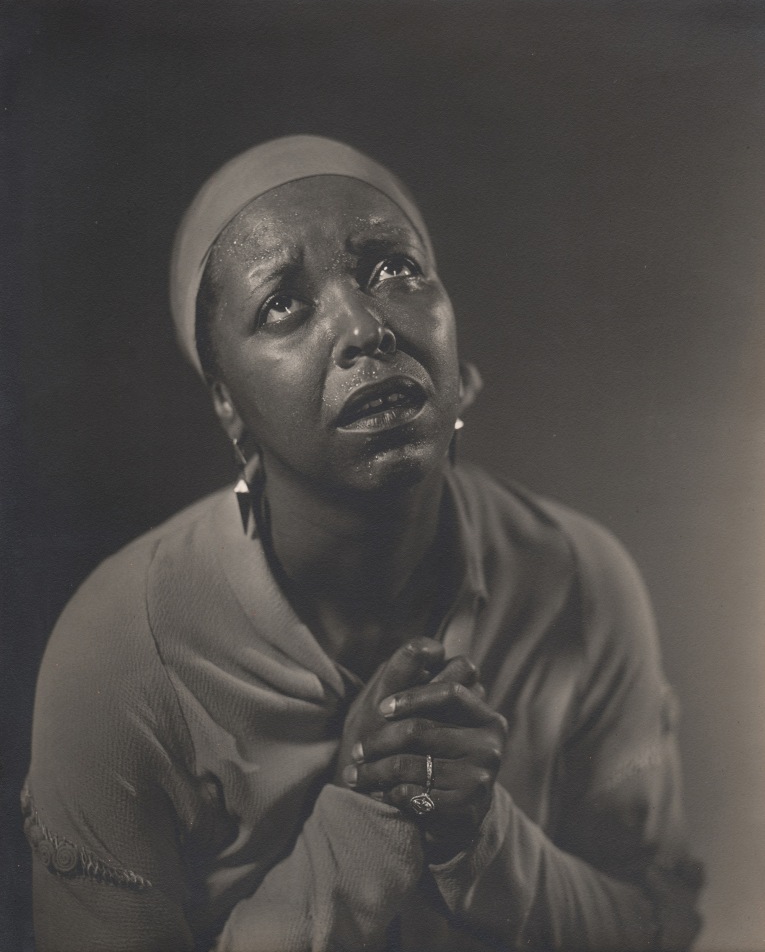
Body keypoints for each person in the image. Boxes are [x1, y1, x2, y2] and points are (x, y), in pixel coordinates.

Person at [23, 135, 703, 952]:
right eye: (283, 303)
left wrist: (480, 839)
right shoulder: (120, 656)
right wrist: (366, 823)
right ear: (227, 403)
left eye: (393, 269)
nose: (364, 325)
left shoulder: (579, 581)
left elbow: (656, 924)